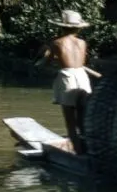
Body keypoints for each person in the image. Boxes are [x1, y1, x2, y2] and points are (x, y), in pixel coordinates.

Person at [35, 9, 101, 153]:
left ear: (62, 27)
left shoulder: (56, 43)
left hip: (68, 78)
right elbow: (78, 62)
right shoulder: (82, 43)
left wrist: (45, 57)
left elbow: (46, 63)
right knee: (82, 120)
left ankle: (78, 154)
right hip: (82, 77)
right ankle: (88, 151)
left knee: (70, 123)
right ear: (78, 28)